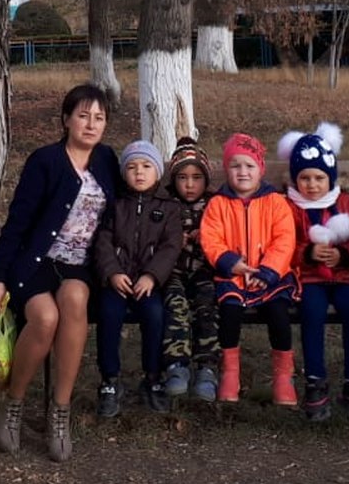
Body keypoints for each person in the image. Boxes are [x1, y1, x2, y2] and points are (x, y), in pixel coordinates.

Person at [0, 84, 120, 462]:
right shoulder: (44, 161)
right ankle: (14, 403)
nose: (91, 125)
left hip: (81, 266)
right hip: (37, 262)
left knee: (75, 299)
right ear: (66, 120)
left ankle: (60, 411)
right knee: (45, 319)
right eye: (83, 116)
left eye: (99, 118)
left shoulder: (107, 160)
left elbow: (130, 206)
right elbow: (17, 223)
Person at [279, 123, 349, 422]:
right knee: (312, 311)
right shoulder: (288, 207)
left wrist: (344, 254)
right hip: (308, 278)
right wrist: (306, 252)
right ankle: (315, 381)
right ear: (295, 178)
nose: (312, 185)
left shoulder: (345, 204)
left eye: (319, 178)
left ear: (330, 177)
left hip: (345, 276)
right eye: (304, 178)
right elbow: (281, 243)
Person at [199, 133, 299, 406]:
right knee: (229, 314)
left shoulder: (275, 202)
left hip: (271, 278)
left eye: (249, 165)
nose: (242, 172)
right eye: (235, 165)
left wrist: (268, 271)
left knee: (278, 315)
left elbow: (284, 240)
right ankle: (230, 373)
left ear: (260, 169)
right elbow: (210, 238)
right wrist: (229, 261)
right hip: (233, 276)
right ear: (226, 169)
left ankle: (283, 376)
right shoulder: (218, 204)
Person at [90, 140, 184, 417]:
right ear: (124, 173)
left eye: (146, 166)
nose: (139, 172)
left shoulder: (168, 207)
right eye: (131, 167)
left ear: (157, 172)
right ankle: (110, 379)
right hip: (117, 281)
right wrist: (112, 273)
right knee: (109, 313)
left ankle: (153, 377)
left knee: (154, 314)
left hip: (148, 282)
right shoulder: (115, 204)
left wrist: (152, 276)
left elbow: (171, 247)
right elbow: (103, 241)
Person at [160, 139, 220, 401]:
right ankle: (177, 365)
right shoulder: (164, 204)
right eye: (182, 178)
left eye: (197, 178)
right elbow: (152, 238)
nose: (189, 184)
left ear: (206, 180)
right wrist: (173, 240)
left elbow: (225, 237)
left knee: (208, 306)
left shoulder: (215, 204)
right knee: (175, 306)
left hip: (205, 270)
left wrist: (206, 237)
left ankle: (207, 367)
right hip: (172, 272)